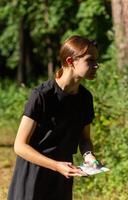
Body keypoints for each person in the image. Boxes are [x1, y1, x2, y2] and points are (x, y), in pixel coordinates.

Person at [8, 35, 99, 200]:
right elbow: (19, 146)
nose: (96, 65)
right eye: (90, 60)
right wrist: (56, 166)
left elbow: (85, 139)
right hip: (33, 175)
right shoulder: (41, 95)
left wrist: (88, 155)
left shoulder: (86, 98)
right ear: (71, 61)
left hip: (62, 177)